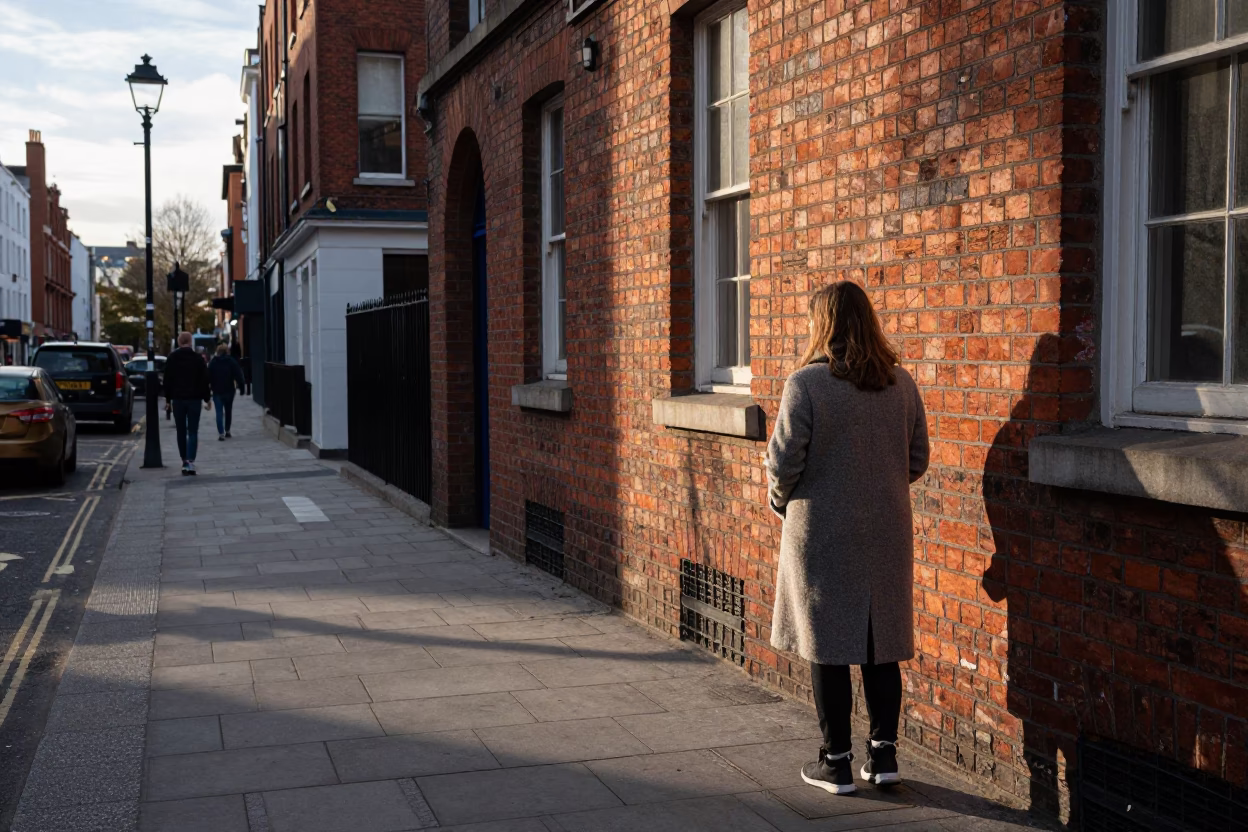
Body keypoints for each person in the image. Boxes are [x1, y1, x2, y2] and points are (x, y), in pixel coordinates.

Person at [765, 281, 929, 796]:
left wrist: (778, 499)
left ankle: (835, 763)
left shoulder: (806, 384)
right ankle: (884, 759)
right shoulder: (900, 384)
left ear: (823, 324)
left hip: (822, 532)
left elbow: (783, 462)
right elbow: (918, 458)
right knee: (881, 645)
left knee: (827, 644)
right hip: (884, 530)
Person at [163, 331, 212, 475]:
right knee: (193, 431)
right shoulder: (198, 359)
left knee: (181, 431)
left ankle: (184, 461)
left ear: (179, 342)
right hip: (194, 400)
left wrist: (167, 400)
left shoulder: (172, 358)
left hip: (178, 400)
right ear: (191, 342)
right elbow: (204, 381)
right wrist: (207, 399)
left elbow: (167, 381)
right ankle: (191, 461)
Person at [207, 343, 246, 440]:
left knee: (219, 412)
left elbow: (207, 377)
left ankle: (221, 433)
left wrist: (208, 389)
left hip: (217, 391)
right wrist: (242, 387)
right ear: (227, 351)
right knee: (228, 411)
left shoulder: (213, 362)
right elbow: (238, 375)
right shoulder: (231, 361)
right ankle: (227, 430)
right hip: (229, 390)